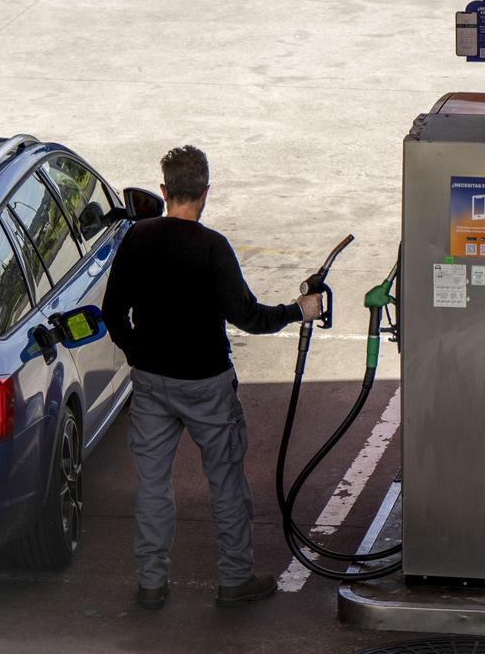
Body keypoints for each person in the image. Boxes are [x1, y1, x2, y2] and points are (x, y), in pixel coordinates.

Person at [102, 145, 323, 610]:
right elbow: (247, 316)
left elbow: (112, 312)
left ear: (164, 191)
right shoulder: (212, 247)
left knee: (153, 485)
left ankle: (151, 584)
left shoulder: (138, 238)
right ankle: (234, 579)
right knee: (225, 482)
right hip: (208, 385)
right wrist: (297, 311)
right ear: (205, 193)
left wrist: (138, 352)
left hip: (151, 382)